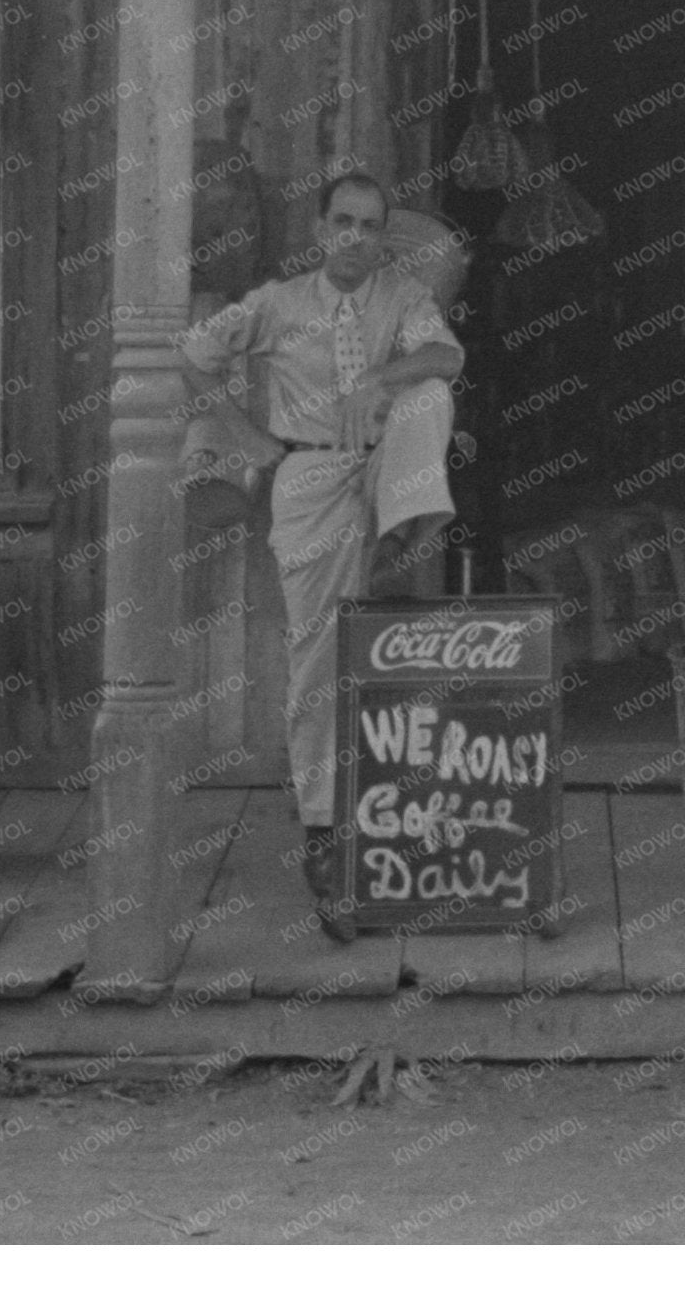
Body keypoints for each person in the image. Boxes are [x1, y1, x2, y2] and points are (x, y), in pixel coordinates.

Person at [176, 168, 463, 902]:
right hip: (308, 474)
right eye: (344, 222)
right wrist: (244, 439)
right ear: (319, 230)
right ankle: (324, 827)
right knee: (320, 653)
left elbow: (446, 356)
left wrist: (383, 378)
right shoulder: (278, 302)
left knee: (428, 394)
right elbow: (195, 353)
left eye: (370, 225)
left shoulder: (403, 296)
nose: (356, 238)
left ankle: (403, 532)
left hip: (383, 465)